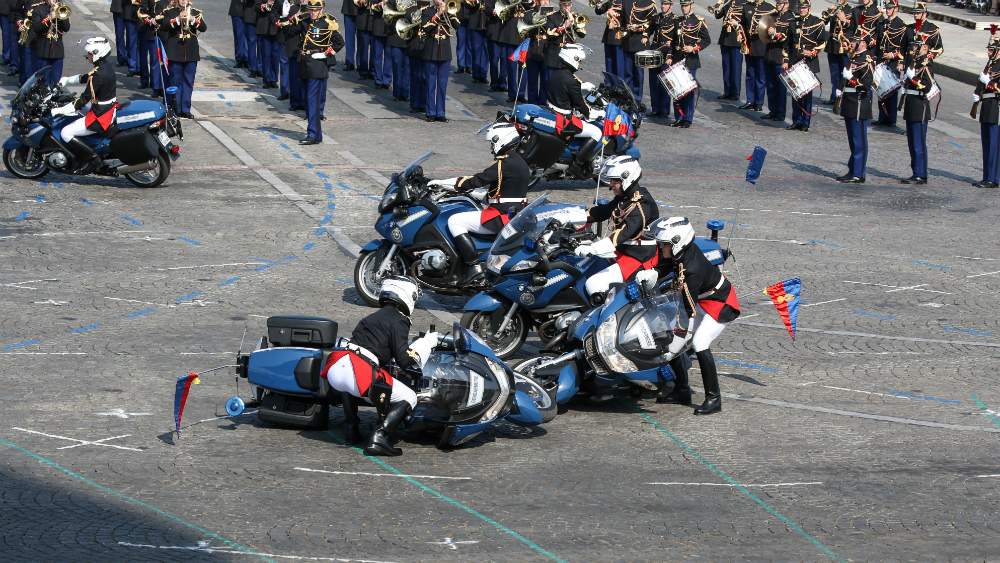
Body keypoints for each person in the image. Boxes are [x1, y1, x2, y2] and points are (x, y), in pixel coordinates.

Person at [322, 276, 439, 456]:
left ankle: (351, 429)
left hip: (338, 368)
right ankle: (380, 436)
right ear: (406, 294)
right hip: (359, 371)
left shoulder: (372, 316)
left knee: (353, 383)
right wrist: (426, 344)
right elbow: (403, 360)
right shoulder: (400, 319)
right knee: (409, 396)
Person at [636, 216, 741, 415]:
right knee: (672, 336)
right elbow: (670, 265)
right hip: (702, 299)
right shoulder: (681, 252)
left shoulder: (692, 271)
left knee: (699, 343)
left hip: (719, 303)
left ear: (677, 244)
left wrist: (675, 342)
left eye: (665, 245)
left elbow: (686, 311)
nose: (661, 248)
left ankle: (714, 398)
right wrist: (654, 272)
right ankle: (681, 390)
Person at [428, 122, 530, 284]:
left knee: (455, 221)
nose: (491, 148)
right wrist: (476, 194)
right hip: (515, 214)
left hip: (501, 217)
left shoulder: (504, 164)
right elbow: (505, 192)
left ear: (501, 140)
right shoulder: (519, 162)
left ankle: (473, 266)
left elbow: (475, 180)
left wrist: (442, 183)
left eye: (492, 143)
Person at [574, 155, 659, 302]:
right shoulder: (626, 196)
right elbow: (603, 211)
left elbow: (622, 234)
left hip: (638, 257)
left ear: (627, 178)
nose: (611, 185)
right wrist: (570, 216)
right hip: (622, 251)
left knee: (593, 284)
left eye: (615, 180)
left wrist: (593, 248)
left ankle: (609, 322)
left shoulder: (640, 203)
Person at [50, 37, 115, 174]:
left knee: (66, 132)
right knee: (76, 116)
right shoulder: (104, 68)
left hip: (101, 114)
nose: (87, 56)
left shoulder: (99, 75)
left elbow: (83, 99)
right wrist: (67, 80)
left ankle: (93, 158)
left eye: (89, 54)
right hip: (106, 108)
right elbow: (87, 77)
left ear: (97, 53)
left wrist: (60, 110)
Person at [547, 43, 602, 178]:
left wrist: (582, 86)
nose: (580, 63)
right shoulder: (572, 81)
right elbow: (580, 105)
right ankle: (576, 165)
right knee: (596, 132)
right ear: (573, 59)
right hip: (564, 119)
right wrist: (595, 113)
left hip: (552, 112)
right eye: (579, 60)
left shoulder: (556, 74)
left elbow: (565, 88)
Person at [296, 0, 345, 144]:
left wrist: (326, 54)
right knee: (307, 99)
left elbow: (339, 42)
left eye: (315, 10)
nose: (312, 12)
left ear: (321, 9)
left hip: (318, 65)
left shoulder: (327, 22)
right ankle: (316, 135)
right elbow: (288, 31)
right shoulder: (304, 21)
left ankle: (313, 134)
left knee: (312, 101)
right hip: (306, 64)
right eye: (311, 9)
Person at [835, 29, 874, 184]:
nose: (851, 43)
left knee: (859, 140)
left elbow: (866, 85)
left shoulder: (866, 60)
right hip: (849, 101)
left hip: (859, 102)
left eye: (855, 41)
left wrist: (850, 79)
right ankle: (852, 169)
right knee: (852, 139)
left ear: (863, 43)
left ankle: (859, 173)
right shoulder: (854, 57)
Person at [666, 0, 708, 128]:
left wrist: (694, 48)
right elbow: (672, 40)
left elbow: (707, 40)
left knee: (688, 90)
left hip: (690, 60)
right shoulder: (677, 20)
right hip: (678, 59)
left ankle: (687, 118)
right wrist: (669, 56)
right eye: (682, 6)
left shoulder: (698, 20)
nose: (684, 8)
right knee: (677, 90)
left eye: (686, 6)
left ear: (692, 5)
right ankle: (679, 117)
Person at [784, 0, 825, 132]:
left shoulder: (816, 22)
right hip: (795, 61)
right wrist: (785, 60)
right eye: (800, 8)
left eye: (804, 8)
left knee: (807, 95)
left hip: (808, 62)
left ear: (809, 8)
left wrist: (812, 52)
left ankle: (805, 122)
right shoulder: (793, 22)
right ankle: (796, 120)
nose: (802, 10)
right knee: (796, 93)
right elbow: (787, 44)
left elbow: (822, 42)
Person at [162, 0, 205, 119]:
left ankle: (185, 109)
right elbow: (164, 26)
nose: (183, 1)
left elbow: (203, 27)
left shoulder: (196, 13)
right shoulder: (171, 12)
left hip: (190, 50)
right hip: (175, 49)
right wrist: (177, 19)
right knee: (175, 81)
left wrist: (191, 19)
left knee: (188, 81)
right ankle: (174, 108)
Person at [899, 35, 931, 185]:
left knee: (919, 142)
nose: (914, 48)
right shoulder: (915, 62)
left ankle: (921, 174)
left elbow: (927, 86)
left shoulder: (926, 63)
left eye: (917, 46)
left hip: (920, 104)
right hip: (911, 103)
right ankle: (915, 172)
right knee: (912, 142)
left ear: (925, 48)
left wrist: (912, 80)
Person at [420, 0, 458, 122]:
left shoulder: (449, 12)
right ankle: (430, 112)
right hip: (431, 49)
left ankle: (441, 112)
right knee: (430, 83)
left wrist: (450, 13)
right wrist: (438, 14)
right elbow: (426, 27)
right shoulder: (427, 11)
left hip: (444, 50)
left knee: (442, 84)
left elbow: (457, 25)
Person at [872, 0, 905, 128]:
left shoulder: (901, 25)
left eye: (890, 8)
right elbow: (878, 43)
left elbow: (904, 47)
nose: (888, 10)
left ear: (896, 9)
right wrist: (875, 58)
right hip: (881, 61)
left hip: (893, 62)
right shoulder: (882, 24)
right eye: (887, 8)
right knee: (881, 90)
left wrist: (893, 55)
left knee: (891, 91)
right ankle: (882, 117)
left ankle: (891, 118)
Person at [543, 0, 581, 106]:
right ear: (560, 5)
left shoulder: (574, 17)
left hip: (568, 55)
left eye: (568, 5)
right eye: (564, 5)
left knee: (566, 82)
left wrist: (573, 23)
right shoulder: (553, 16)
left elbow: (582, 33)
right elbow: (549, 33)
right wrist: (564, 27)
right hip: (554, 53)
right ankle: (546, 104)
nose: (567, 7)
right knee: (549, 81)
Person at [738, 0, 773, 112]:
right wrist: (741, 35)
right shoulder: (747, 6)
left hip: (761, 45)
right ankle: (750, 100)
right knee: (750, 74)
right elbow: (742, 24)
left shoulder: (769, 8)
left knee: (760, 76)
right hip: (749, 45)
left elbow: (772, 25)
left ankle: (759, 102)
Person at [975, 34, 1000, 189]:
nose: (989, 52)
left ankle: (993, 178)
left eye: (992, 49)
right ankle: (986, 176)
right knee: (986, 144)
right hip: (986, 106)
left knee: (994, 145)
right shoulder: (990, 65)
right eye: (989, 49)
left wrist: (989, 83)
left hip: (996, 108)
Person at [759, 0, 791, 122]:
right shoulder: (773, 16)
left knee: (780, 87)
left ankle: (780, 113)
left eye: (780, 3)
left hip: (780, 56)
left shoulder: (790, 18)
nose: (777, 5)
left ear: (787, 4)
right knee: (771, 85)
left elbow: (788, 37)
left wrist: (775, 33)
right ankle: (773, 110)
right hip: (769, 55)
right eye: (777, 2)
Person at [646, 0, 675, 119]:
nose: (663, 6)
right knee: (654, 82)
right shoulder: (656, 17)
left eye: (666, 4)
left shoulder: (675, 19)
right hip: (655, 52)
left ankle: (664, 109)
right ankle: (655, 108)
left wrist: (671, 50)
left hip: (666, 53)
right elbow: (650, 29)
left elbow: (677, 36)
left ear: (671, 6)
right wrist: (645, 35)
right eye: (662, 4)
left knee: (665, 82)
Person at [621, 0, 654, 101]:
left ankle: (637, 99)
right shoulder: (626, 2)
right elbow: (623, 18)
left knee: (638, 74)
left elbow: (653, 22)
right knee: (628, 73)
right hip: (628, 42)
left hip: (640, 42)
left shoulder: (648, 2)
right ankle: (628, 98)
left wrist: (646, 34)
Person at [31, 0, 69, 85]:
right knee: (44, 77)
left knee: (56, 78)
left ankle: (55, 96)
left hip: (57, 47)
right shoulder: (38, 9)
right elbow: (36, 28)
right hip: (43, 46)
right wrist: (49, 18)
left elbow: (66, 28)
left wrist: (60, 15)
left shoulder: (61, 9)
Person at [714, 0, 745, 101]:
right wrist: (719, 5)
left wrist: (738, 23)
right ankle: (727, 90)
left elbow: (748, 20)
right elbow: (718, 15)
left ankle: (735, 91)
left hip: (736, 38)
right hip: (725, 38)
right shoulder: (727, 2)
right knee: (726, 66)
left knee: (735, 67)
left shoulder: (744, 3)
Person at [521, 0, 549, 105]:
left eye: (547, 0)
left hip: (545, 52)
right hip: (532, 50)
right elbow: (524, 30)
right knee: (532, 80)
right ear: (537, 2)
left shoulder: (552, 15)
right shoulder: (529, 14)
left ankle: (542, 102)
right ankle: (532, 101)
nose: (545, 2)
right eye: (543, 0)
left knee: (545, 80)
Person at [820, 0, 848, 105]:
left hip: (843, 46)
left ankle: (844, 97)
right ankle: (835, 96)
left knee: (844, 74)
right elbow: (824, 22)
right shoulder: (834, 9)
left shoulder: (850, 10)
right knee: (834, 74)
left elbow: (852, 27)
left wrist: (844, 20)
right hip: (832, 46)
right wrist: (829, 11)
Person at [498, 0, 525, 102]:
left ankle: (521, 93)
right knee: (511, 67)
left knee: (523, 67)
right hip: (510, 35)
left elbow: (533, 11)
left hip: (523, 37)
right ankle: (512, 93)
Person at [275, 0, 301, 101]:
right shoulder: (282, 2)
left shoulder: (301, 4)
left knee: (297, 68)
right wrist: (278, 22)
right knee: (284, 64)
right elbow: (274, 15)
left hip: (297, 39)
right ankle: (285, 91)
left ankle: (298, 95)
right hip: (284, 36)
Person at [404, 0, 426, 113]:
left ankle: (423, 103)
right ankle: (414, 103)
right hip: (414, 47)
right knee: (414, 77)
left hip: (427, 47)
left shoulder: (430, 11)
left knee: (424, 77)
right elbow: (406, 21)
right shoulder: (411, 10)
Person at [594, 0, 624, 82]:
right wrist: (599, 4)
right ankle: (610, 85)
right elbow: (599, 11)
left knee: (619, 66)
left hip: (619, 37)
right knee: (609, 64)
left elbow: (628, 15)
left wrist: (614, 14)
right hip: (609, 36)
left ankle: (619, 86)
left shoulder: (627, 2)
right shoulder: (612, 1)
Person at [385, 0, 409, 102]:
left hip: (409, 38)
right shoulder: (393, 1)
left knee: (408, 68)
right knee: (397, 66)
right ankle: (397, 93)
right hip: (395, 37)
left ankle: (406, 92)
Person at [257, 0, 282, 89]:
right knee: (266, 54)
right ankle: (266, 79)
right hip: (265, 27)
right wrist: (267, 5)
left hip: (277, 27)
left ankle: (274, 79)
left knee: (276, 55)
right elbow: (256, 7)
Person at [370, 0, 392, 89]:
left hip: (390, 28)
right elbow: (373, 6)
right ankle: (378, 80)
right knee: (377, 56)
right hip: (378, 27)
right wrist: (383, 3)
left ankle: (387, 80)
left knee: (389, 56)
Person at [465, 0, 488, 83]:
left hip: (487, 22)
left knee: (486, 50)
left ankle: (483, 73)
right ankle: (476, 74)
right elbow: (466, 3)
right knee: (475, 49)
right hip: (475, 22)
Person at [243, 0, 262, 78]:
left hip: (263, 17)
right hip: (251, 15)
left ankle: (260, 68)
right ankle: (253, 68)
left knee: (261, 44)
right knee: (251, 43)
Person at [123, 0, 141, 78]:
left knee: (142, 43)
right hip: (131, 12)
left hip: (145, 13)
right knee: (132, 41)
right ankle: (133, 66)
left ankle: (140, 66)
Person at [355, 0, 373, 79]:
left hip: (376, 21)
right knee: (363, 48)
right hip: (363, 19)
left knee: (375, 51)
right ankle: (363, 70)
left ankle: (373, 71)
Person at [229, 0, 248, 68]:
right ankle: (239, 58)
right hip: (237, 8)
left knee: (248, 36)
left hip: (250, 10)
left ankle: (247, 58)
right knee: (238, 35)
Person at [340, 0, 357, 70]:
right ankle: (349, 62)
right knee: (349, 38)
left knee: (362, 39)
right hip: (348, 7)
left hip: (362, 10)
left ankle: (360, 63)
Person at [111, 0, 127, 67]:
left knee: (132, 37)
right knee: (119, 35)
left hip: (132, 8)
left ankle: (130, 58)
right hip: (118, 7)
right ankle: (121, 58)